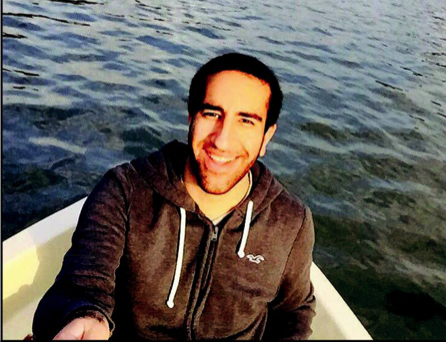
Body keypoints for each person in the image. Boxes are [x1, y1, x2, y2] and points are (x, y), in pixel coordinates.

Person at [33, 53, 316, 340]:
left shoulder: (290, 222)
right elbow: (80, 285)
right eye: (212, 114)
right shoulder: (124, 191)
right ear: (191, 118)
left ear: (267, 137)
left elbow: (293, 311)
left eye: (246, 121)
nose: (222, 139)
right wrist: (87, 315)